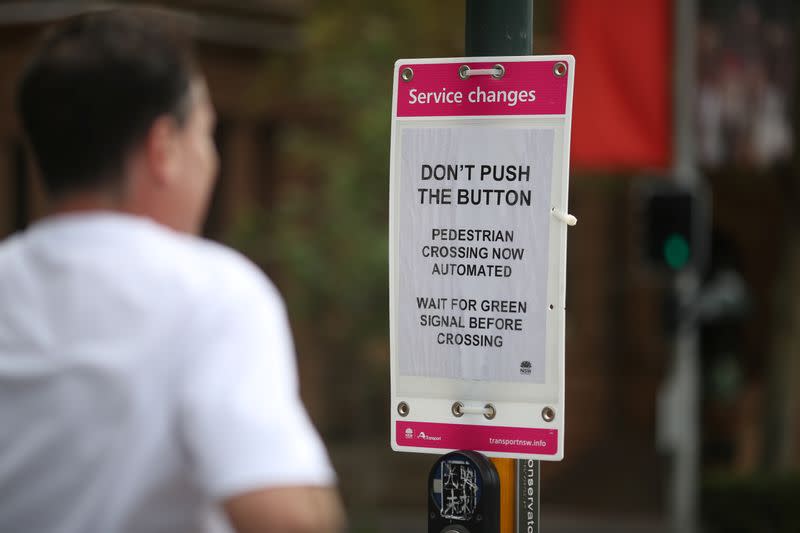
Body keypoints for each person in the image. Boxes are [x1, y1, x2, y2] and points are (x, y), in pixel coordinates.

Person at [0, 8, 345, 533]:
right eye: (205, 133)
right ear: (163, 148)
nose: (213, 160)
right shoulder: (212, 294)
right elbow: (287, 516)